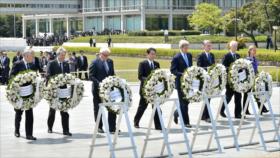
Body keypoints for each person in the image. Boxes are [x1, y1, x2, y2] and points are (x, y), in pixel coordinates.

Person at [10, 49, 38, 140]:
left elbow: (34, 77)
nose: (33, 57)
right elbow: (11, 76)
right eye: (31, 56)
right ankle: (17, 130)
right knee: (19, 113)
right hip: (20, 93)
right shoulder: (18, 64)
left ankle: (29, 134)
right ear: (26, 56)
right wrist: (18, 81)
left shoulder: (32, 65)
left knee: (29, 114)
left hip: (29, 94)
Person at [89, 47, 117, 134]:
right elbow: (91, 76)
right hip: (98, 90)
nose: (106, 57)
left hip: (109, 90)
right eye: (105, 55)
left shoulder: (110, 62)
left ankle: (112, 128)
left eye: (108, 55)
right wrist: (100, 84)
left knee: (112, 107)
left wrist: (114, 81)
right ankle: (99, 127)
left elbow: (112, 73)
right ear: (100, 54)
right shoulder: (94, 63)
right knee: (98, 109)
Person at [133, 48, 162, 130]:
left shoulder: (157, 64)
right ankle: (136, 121)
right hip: (145, 90)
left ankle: (158, 125)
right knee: (142, 107)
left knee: (156, 107)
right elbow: (140, 76)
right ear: (147, 54)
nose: (153, 55)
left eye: (154, 54)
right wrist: (150, 80)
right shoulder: (142, 63)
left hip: (155, 90)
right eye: (152, 54)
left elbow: (159, 75)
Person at [46, 47, 72, 136]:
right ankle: (50, 127)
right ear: (58, 54)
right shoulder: (51, 63)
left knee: (64, 110)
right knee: (52, 110)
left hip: (63, 91)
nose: (63, 57)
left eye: (64, 55)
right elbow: (48, 75)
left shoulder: (66, 64)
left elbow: (68, 75)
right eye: (62, 55)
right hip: (54, 90)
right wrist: (56, 81)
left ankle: (66, 130)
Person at [170, 40, 193, 128]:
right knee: (183, 103)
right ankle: (186, 122)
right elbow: (173, 70)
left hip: (188, 83)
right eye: (186, 47)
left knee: (187, 102)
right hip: (180, 83)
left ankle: (176, 113)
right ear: (181, 47)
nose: (187, 48)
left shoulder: (189, 55)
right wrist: (182, 74)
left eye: (188, 47)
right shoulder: (176, 57)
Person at [243, 45, 269, 115]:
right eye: (253, 50)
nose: (255, 51)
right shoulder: (247, 59)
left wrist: (259, 75)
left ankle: (262, 109)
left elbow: (256, 69)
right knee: (247, 95)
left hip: (255, 79)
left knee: (257, 93)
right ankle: (245, 110)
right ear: (250, 51)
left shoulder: (255, 59)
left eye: (255, 50)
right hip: (249, 80)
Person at [220, 41, 242, 119]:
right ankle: (221, 110)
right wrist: (231, 69)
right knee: (228, 96)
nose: (235, 47)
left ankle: (238, 114)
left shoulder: (238, 55)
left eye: (236, 46)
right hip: (229, 80)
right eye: (233, 46)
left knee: (238, 96)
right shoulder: (226, 56)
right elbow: (223, 66)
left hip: (238, 80)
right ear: (230, 47)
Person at [197, 40, 215, 123]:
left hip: (210, 80)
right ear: (203, 46)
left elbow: (213, 65)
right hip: (204, 80)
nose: (209, 47)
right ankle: (205, 116)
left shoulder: (212, 55)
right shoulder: (201, 55)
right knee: (206, 98)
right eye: (208, 45)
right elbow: (199, 67)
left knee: (209, 98)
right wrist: (206, 68)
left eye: (210, 45)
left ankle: (205, 115)